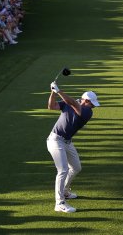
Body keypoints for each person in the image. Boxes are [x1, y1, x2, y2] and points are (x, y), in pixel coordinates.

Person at [46, 82, 99, 214]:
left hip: (67, 142)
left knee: (76, 167)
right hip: (55, 140)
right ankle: (59, 203)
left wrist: (59, 91)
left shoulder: (87, 112)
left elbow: (74, 105)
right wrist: (53, 92)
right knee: (63, 170)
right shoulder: (71, 103)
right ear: (85, 100)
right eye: (91, 103)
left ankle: (65, 191)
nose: (93, 106)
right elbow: (51, 106)